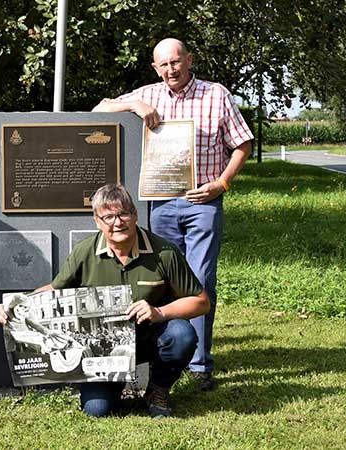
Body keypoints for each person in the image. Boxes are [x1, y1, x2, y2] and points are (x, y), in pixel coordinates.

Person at [92, 38, 253, 391]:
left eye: (176, 62)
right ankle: (164, 360)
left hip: (203, 203)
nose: (171, 70)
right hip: (160, 204)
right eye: (163, 65)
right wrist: (134, 105)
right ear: (155, 67)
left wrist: (221, 184)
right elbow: (99, 109)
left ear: (189, 60)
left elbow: (243, 144)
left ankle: (199, 365)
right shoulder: (148, 93)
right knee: (162, 279)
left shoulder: (216, 95)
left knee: (200, 279)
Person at [0, 184, 209, 418]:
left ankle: (158, 389)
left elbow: (201, 301)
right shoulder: (84, 252)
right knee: (97, 410)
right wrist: (16, 305)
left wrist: (159, 312)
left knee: (181, 335)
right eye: (108, 217)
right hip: (104, 351)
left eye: (123, 214)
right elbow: (54, 290)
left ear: (135, 214)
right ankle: (112, 388)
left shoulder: (164, 252)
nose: (117, 223)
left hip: (151, 336)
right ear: (97, 221)